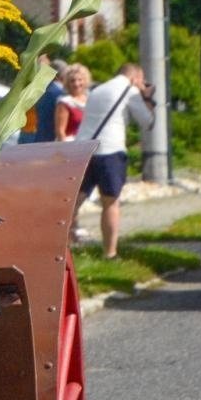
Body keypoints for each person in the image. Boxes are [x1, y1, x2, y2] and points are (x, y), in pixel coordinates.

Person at [74, 63, 155, 259]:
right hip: (110, 151)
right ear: (135, 78)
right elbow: (148, 122)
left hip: (85, 150)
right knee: (110, 203)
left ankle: (62, 249)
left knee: (74, 202)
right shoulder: (131, 91)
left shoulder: (98, 89)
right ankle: (110, 252)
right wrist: (147, 97)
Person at [54, 62, 91, 141]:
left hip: (87, 144)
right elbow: (60, 131)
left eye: (80, 80)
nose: (76, 84)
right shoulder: (64, 102)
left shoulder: (90, 99)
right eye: (72, 81)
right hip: (70, 146)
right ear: (67, 83)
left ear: (85, 80)